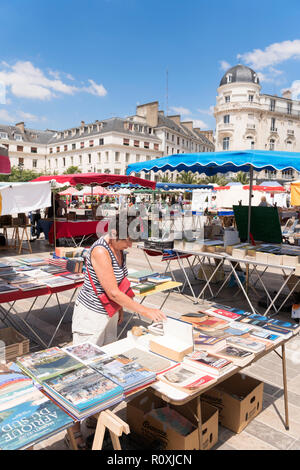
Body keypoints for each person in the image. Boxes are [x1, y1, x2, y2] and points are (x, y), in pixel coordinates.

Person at [72, 212, 166, 346]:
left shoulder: (119, 249)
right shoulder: (100, 251)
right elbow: (113, 292)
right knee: (86, 357)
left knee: (106, 355)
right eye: (128, 240)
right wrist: (146, 311)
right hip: (92, 315)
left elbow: (119, 283)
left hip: (109, 312)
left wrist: (119, 308)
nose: (130, 245)